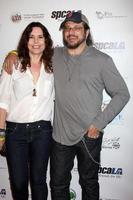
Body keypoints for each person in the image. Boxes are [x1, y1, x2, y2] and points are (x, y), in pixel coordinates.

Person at [3, 11, 130, 200]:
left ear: (86, 32)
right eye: (68, 28)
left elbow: (122, 94)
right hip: (60, 137)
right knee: (58, 185)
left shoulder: (102, 60)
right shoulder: (54, 55)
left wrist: (99, 124)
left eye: (77, 28)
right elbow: (33, 50)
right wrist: (12, 53)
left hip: (89, 136)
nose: (72, 32)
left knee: (89, 183)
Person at [0, 22, 54, 200]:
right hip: (15, 132)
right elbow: (3, 102)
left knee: (39, 181)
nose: (36, 41)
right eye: (31, 37)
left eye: (40, 37)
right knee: (18, 182)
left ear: (46, 40)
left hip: (43, 131)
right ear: (26, 40)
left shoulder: (54, 67)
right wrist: (1, 134)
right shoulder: (13, 65)